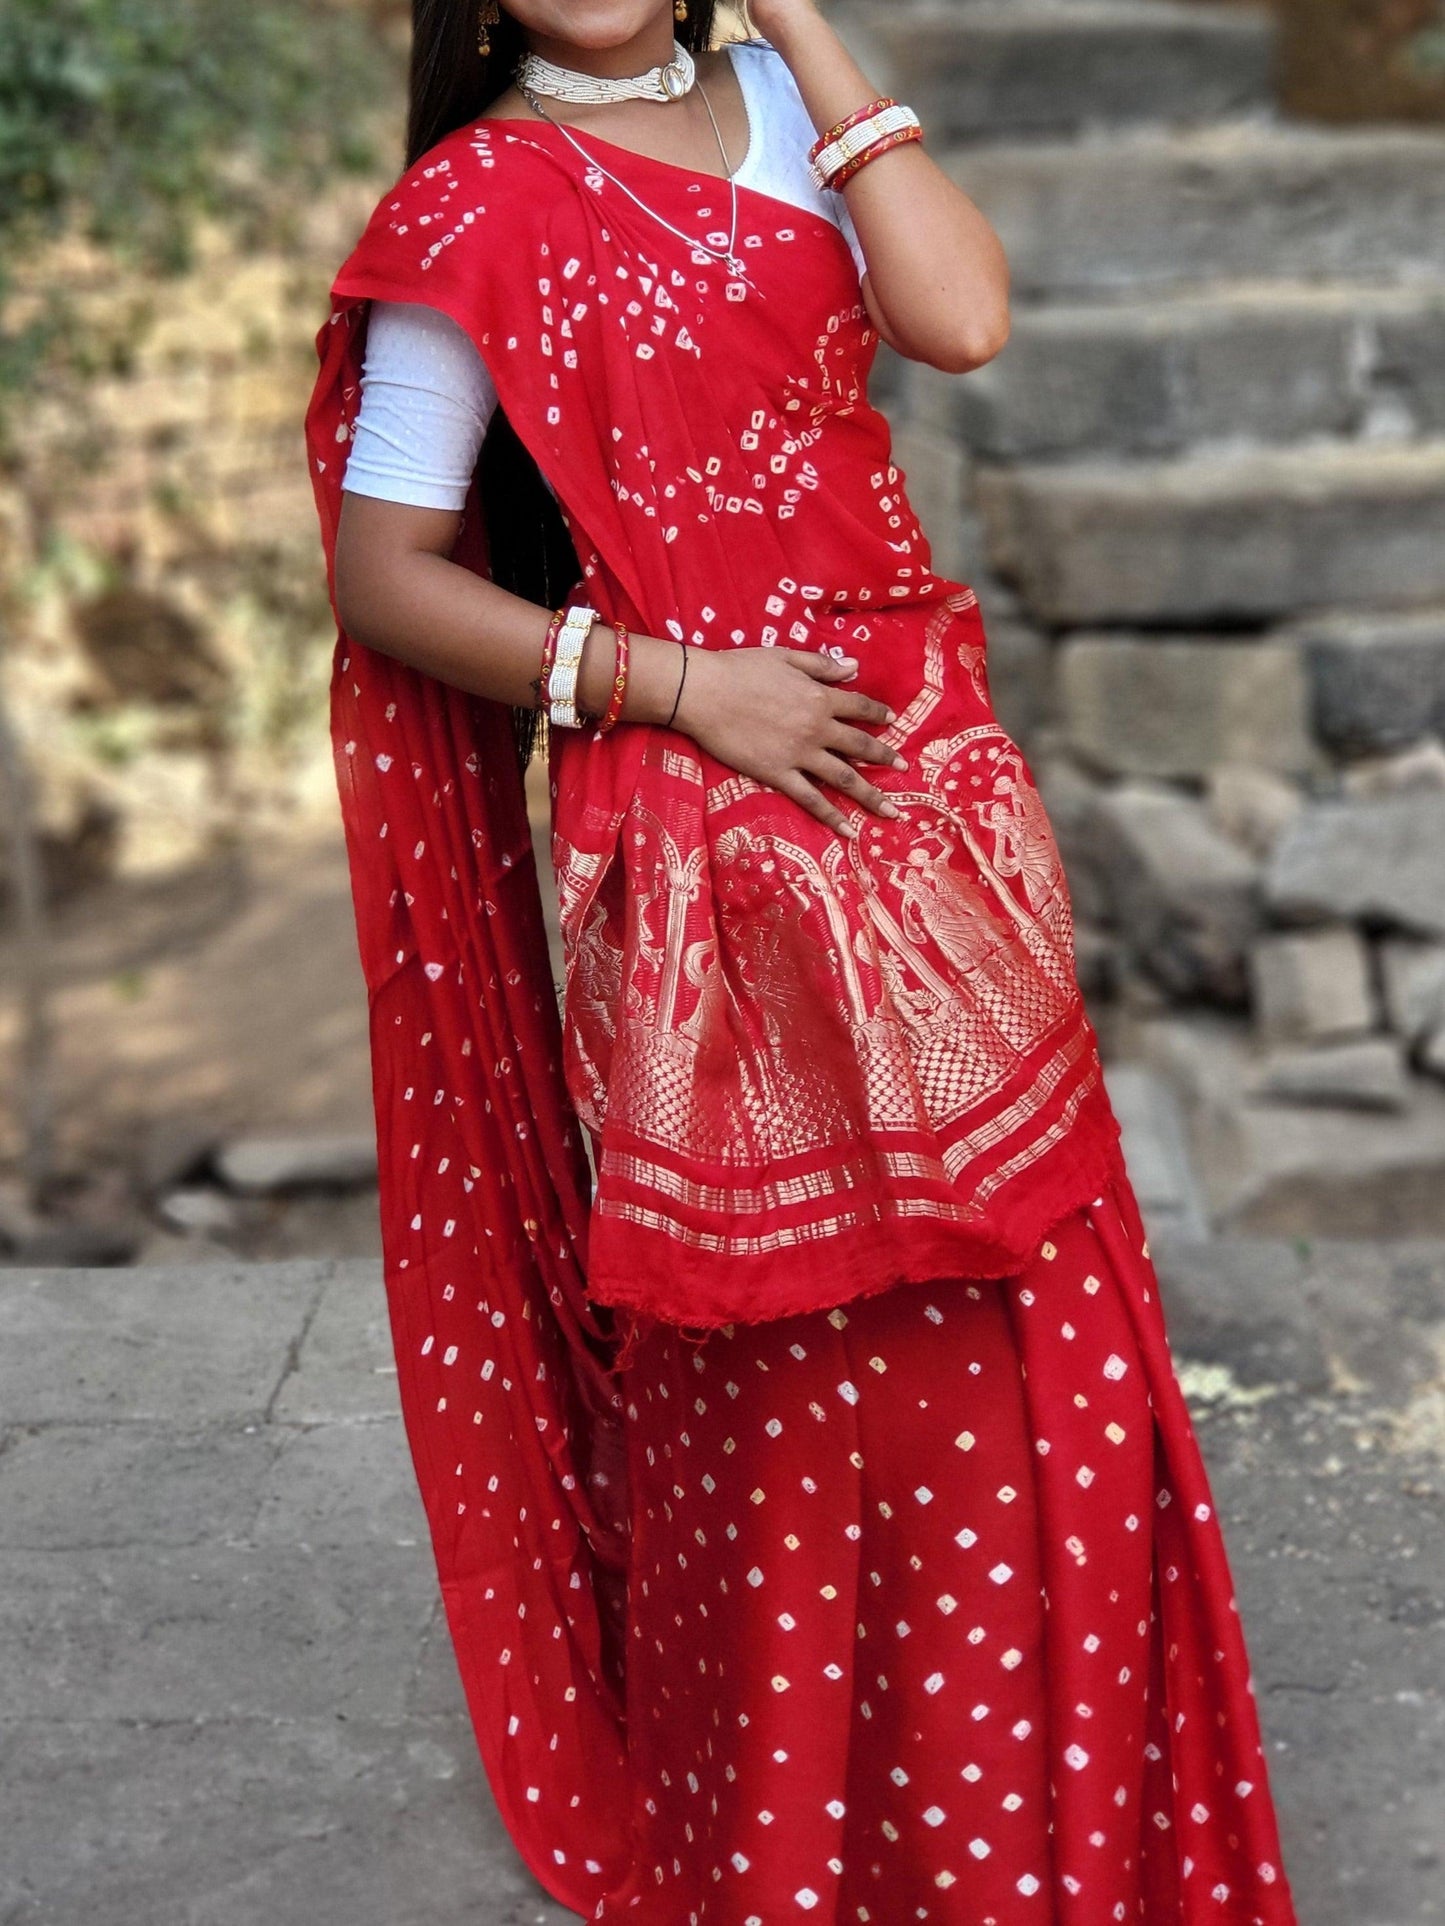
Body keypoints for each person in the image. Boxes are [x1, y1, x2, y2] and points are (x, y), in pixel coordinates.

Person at [305, 1, 1300, 1918]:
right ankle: (800, 1851)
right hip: (692, 837)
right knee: (786, 1365)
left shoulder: (786, 98)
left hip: (924, 779)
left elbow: (962, 318)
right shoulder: (473, 207)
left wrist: (802, 28)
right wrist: (682, 688)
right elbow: (383, 570)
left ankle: (1057, 1835)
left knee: (1040, 1316)